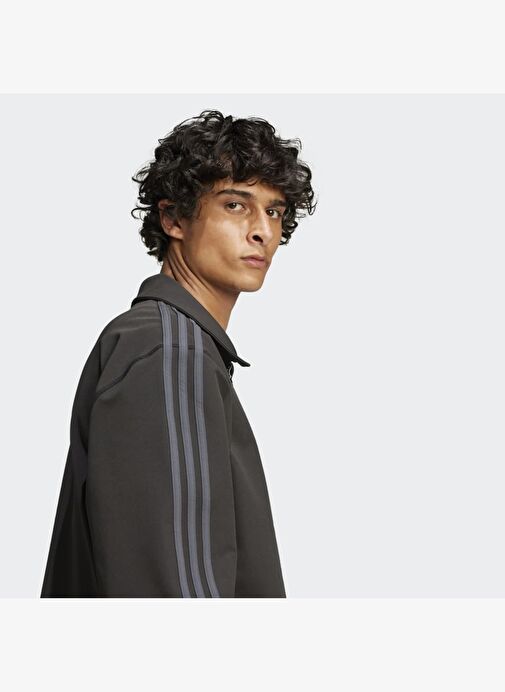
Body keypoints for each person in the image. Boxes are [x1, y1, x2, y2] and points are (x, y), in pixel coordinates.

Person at [40, 109, 317, 597]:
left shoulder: (173, 345)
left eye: (274, 211)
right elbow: (179, 592)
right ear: (173, 218)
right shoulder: (169, 351)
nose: (262, 231)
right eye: (236, 205)